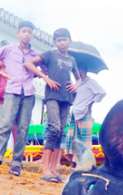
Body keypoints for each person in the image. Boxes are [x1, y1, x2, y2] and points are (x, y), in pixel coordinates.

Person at [24, 28, 82, 183]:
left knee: (61, 131)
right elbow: (28, 63)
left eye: (64, 39)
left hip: (66, 98)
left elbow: (79, 79)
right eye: (58, 40)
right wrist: (45, 78)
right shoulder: (50, 54)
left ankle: (54, 170)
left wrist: (76, 85)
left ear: (69, 41)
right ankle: (45, 170)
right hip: (52, 96)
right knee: (54, 128)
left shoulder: (72, 60)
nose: (62, 43)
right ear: (55, 43)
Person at [0, 21, 39, 176]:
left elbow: (45, 69)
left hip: (28, 94)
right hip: (11, 91)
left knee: (22, 128)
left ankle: (16, 164)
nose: (27, 34)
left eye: (29, 31)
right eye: (24, 31)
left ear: (33, 35)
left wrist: (39, 74)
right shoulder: (8, 50)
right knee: (5, 124)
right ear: (18, 33)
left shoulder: (35, 54)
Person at [61, 69, 106, 163]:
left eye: (76, 72)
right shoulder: (78, 84)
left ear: (81, 71)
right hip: (75, 113)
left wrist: (91, 102)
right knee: (73, 138)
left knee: (84, 140)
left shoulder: (90, 82)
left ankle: (83, 162)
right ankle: (75, 162)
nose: (75, 74)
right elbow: (75, 99)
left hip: (84, 112)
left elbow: (102, 92)